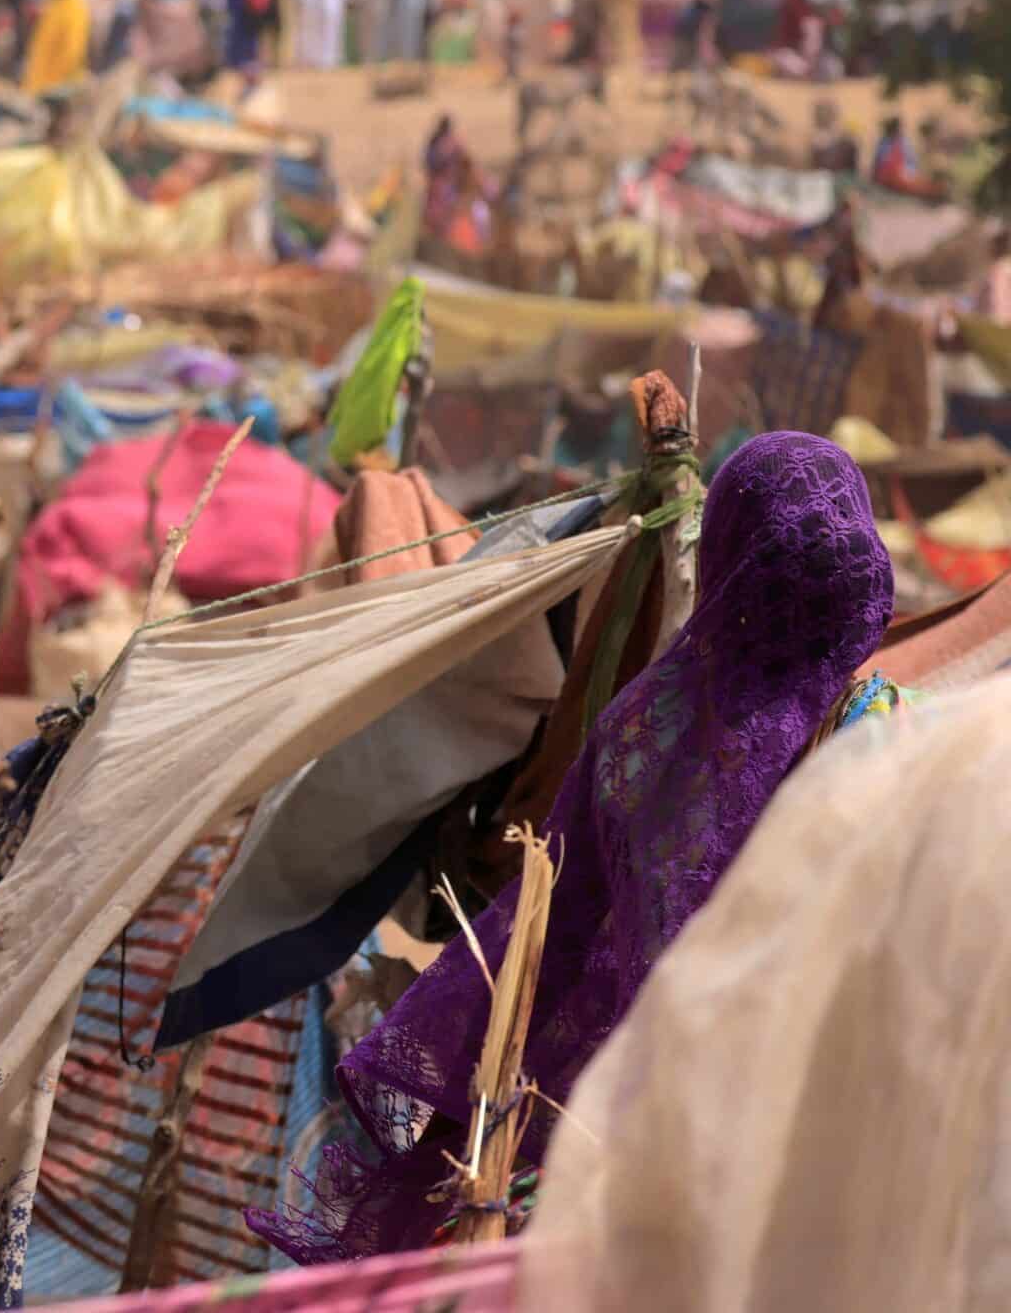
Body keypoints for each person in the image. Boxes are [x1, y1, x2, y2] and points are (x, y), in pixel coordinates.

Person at [255, 432, 898, 1264]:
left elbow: (563, 920)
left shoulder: (649, 726)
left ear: (732, 559)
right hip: (800, 1160)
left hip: (619, 1140)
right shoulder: (884, 737)